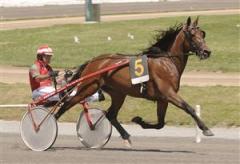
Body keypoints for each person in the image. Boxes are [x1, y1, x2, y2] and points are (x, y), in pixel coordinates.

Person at [29, 45, 104, 104]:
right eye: (47, 56)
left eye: (50, 56)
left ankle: (95, 95)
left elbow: (57, 81)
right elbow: (38, 79)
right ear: (41, 56)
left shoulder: (48, 68)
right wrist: (51, 74)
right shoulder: (34, 66)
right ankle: (94, 96)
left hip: (47, 91)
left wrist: (65, 77)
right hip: (38, 92)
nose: (50, 58)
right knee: (65, 94)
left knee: (72, 93)